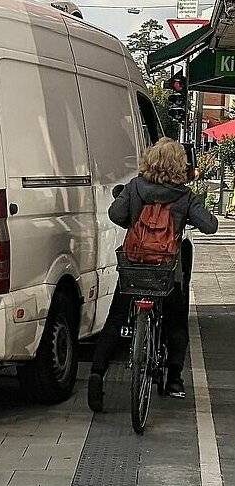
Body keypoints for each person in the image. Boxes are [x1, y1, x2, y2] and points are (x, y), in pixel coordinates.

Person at [88, 137, 218, 412]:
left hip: (134, 267)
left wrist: (132, 222)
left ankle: (97, 375)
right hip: (167, 272)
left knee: (115, 319)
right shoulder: (185, 196)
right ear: (179, 166)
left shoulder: (135, 187)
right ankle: (174, 379)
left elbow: (115, 214)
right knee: (176, 321)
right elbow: (210, 226)